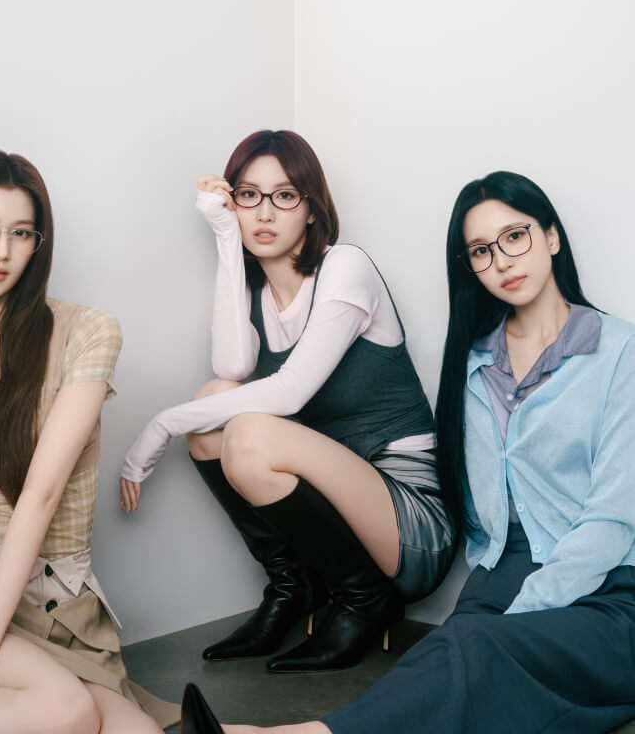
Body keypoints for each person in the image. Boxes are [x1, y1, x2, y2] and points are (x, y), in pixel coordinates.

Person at [178, 169, 635, 734]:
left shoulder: (620, 353)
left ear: (551, 237)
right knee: (450, 672)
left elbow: (612, 521)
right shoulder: (473, 364)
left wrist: (526, 608)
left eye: (515, 237)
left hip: (609, 585)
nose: (502, 261)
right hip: (499, 580)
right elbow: (478, 505)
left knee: (472, 653)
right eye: (481, 251)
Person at [120, 130, 454, 672]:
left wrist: (160, 425)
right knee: (213, 406)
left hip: (408, 524)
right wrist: (225, 236)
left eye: (285, 195)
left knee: (248, 432)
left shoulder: (346, 267)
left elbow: (291, 390)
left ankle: (365, 601)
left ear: (312, 208)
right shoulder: (258, 291)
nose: (264, 211)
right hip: (336, 511)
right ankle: (292, 588)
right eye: (248, 195)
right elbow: (231, 368)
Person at [0, 149, 179, 734]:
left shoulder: (86, 331)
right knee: (64, 713)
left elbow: (42, 495)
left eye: (21, 233)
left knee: (140, 732)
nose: (2, 250)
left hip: (60, 608)